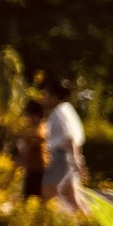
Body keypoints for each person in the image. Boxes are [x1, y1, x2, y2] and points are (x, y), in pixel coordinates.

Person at [43, 76, 86, 212]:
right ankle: (88, 224)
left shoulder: (60, 112)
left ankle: (45, 225)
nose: (44, 98)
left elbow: (70, 138)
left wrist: (76, 161)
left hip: (61, 157)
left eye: (46, 95)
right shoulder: (66, 109)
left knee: (48, 191)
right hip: (65, 156)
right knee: (71, 196)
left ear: (54, 96)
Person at [17, 99, 48, 201]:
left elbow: (25, 154)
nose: (27, 118)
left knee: (29, 199)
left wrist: (17, 165)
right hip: (37, 170)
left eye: (28, 115)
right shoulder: (44, 128)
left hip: (37, 171)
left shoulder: (35, 133)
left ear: (36, 116)